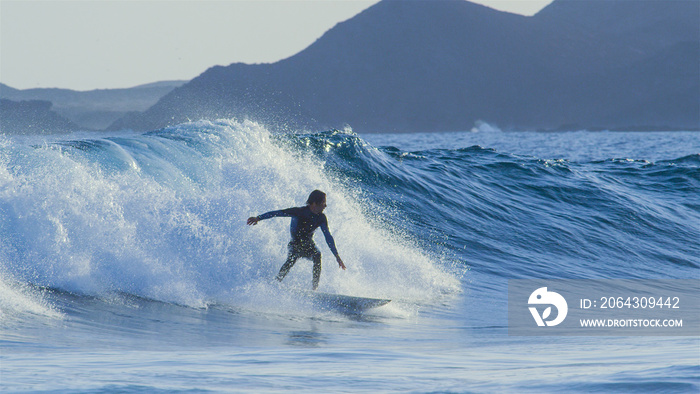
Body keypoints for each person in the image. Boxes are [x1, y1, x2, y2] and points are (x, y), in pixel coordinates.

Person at [247, 190, 346, 290]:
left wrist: (336, 256)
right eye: (324, 203)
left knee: (317, 255)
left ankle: (314, 288)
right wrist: (258, 218)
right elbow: (277, 213)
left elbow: (328, 236)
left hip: (308, 244)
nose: (325, 206)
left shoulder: (321, 218)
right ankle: (276, 282)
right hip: (295, 243)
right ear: (315, 203)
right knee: (292, 258)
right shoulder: (299, 212)